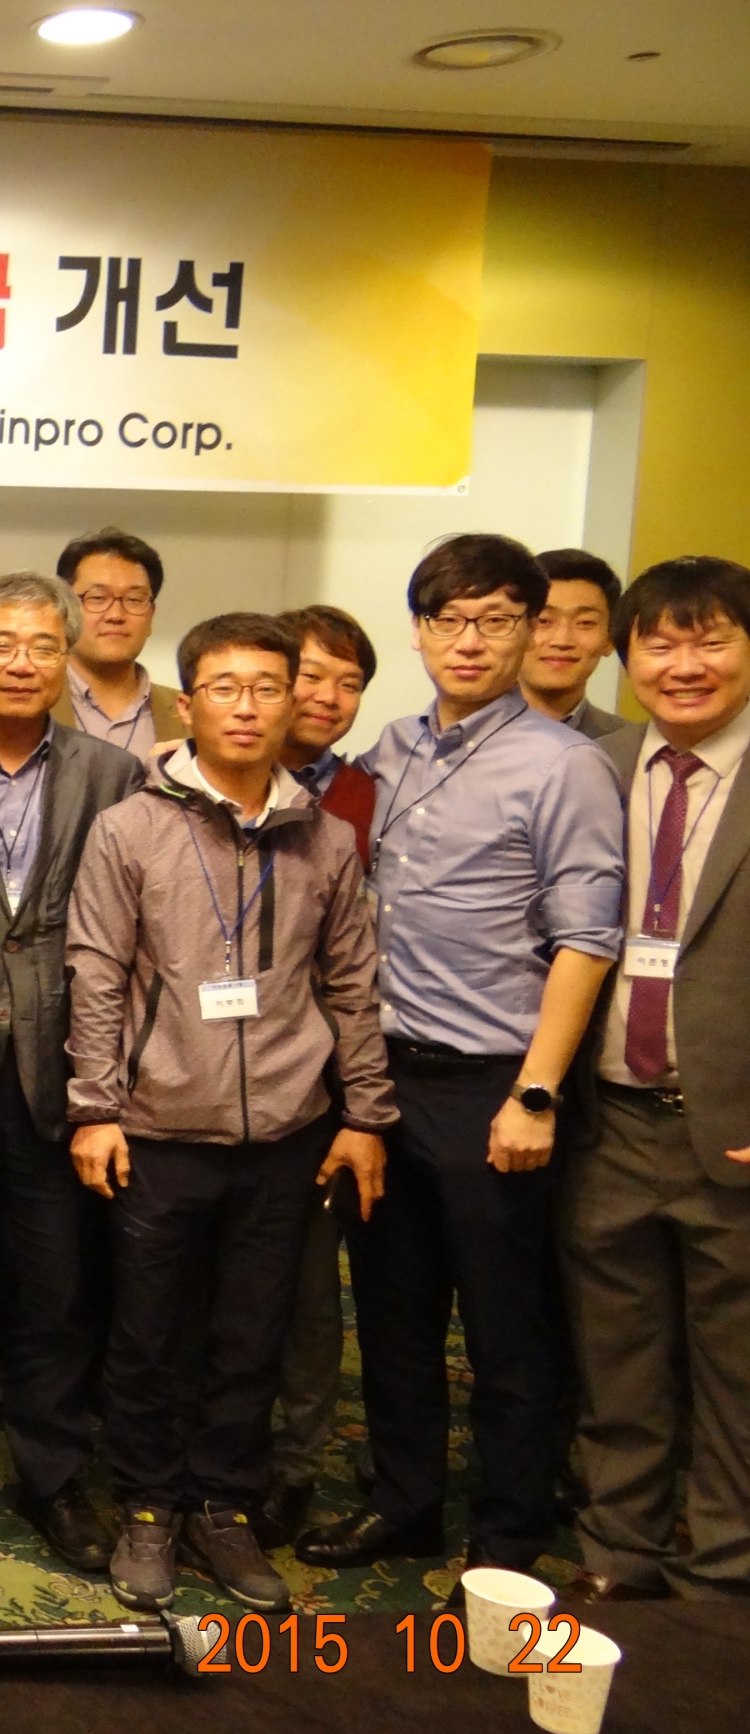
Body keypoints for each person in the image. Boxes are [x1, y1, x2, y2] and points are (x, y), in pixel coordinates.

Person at [300, 533, 624, 1579]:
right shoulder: (390, 750)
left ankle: (508, 1536)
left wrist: (535, 1092)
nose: (470, 641)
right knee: (393, 1313)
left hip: (493, 1083)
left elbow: (587, 940)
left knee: (504, 1326)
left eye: (495, 620)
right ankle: (403, 1502)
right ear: (419, 631)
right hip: (384, 1080)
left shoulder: (564, 765)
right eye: (449, 620)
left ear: (529, 631)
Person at [64, 612, 396, 1612]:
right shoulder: (129, 828)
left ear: (292, 702)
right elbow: (96, 976)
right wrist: (95, 1107)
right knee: (149, 1334)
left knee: (253, 1334)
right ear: (188, 704)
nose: (246, 707)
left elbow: (352, 983)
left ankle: (223, 1506)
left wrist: (365, 1115)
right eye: (224, 688)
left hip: (287, 1131)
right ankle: (148, 1506)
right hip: (157, 1127)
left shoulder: (324, 837)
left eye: (266, 687)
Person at [0, 574, 144, 1570]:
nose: (20, 662)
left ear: (66, 660)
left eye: (43, 646)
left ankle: (55, 1479)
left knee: (54, 1292)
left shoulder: (114, 773)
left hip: (61, 1066)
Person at [559, 556, 750, 1601]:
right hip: (612, 1124)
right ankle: (618, 1555)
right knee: (618, 1362)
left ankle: (722, 1576)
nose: (684, 665)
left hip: (735, 1127)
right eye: (659, 644)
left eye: (709, 640)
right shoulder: (596, 765)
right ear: (624, 657)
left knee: (737, 1377)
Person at [257, 604, 380, 1547]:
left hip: (321, 1081)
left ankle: (293, 1465)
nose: (328, 697)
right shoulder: (186, 783)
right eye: (311, 675)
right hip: (199, 1079)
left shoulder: (364, 794)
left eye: (350, 682)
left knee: (306, 1295)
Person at [52, 528, 183, 761]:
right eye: (97, 598)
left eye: (134, 599)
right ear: (64, 610)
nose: (115, 615)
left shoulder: (191, 713)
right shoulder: (32, 702)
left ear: (151, 615)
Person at [526, 549, 628, 742]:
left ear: (610, 639)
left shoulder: (624, 745)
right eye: (544, 620)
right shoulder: (470, 731)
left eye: (585, 623)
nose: (562, 640)